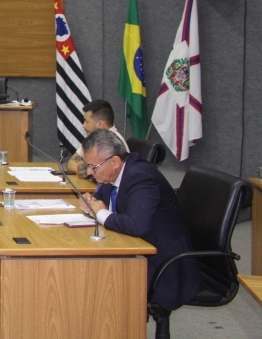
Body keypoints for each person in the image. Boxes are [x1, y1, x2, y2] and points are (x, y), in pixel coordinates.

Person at [78, 129, 201, 312]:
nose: (89, 172)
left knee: (98, 282)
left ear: (115, 161)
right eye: (88, 166)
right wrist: (91, 204)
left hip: (163, 262)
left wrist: (101, 214)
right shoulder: (112, 173)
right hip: (138, 247)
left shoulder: (141, 176)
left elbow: (137, 225)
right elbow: (102, 201)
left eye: (93, 167)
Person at [66, 99, 130, 175]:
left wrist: (84, 169)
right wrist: (86, 170)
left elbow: (101, 174)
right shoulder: (94, 140)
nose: (84, 125)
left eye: (87, 121)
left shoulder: (112, 142)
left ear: (100, 124)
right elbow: (71, 163)